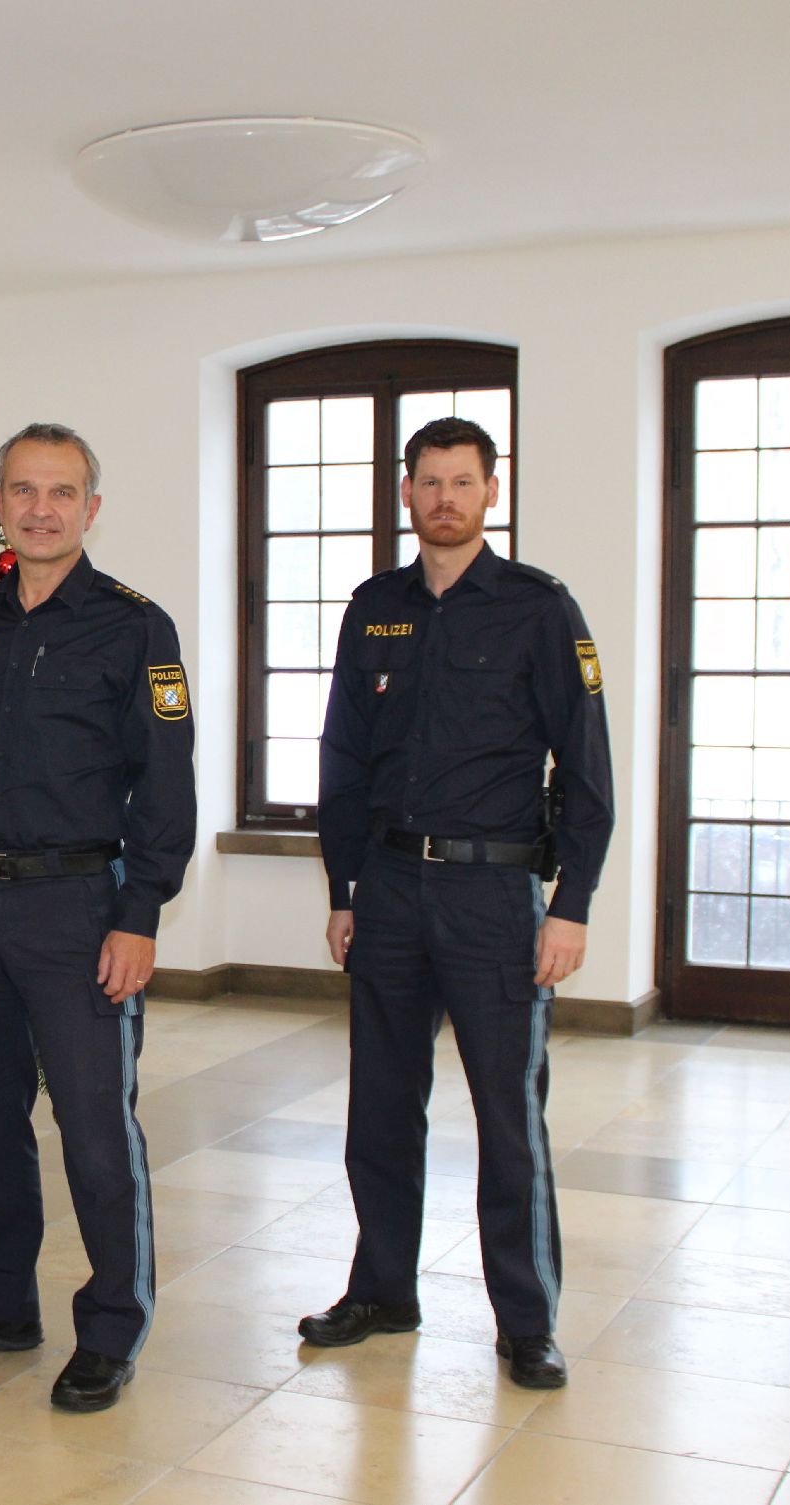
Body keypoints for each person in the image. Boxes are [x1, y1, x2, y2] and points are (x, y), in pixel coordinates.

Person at [302, 416, 614, 1390]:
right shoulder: (374, 606)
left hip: (493, 891)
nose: (444, 497)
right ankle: (384, 1287)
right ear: (406, 493)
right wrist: (341, 885)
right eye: (427, 480)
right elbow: (342, 758)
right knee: (380, 1108)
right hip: (389, 888)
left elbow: (587, 765)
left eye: (461, 481)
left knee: (507, 1116)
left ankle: (525, 1318)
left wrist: (572, 903)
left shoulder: (537, 607)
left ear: (490, 490)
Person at [0, 423, 197, 1413]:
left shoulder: (132, 626)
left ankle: (112, 1325)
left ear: (90, 508)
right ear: (0, 501)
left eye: (60, 492)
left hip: (80, 906)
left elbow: (164, 785)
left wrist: (139, 913)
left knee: (95, 1132)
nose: (40, 508)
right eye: (22, 490)